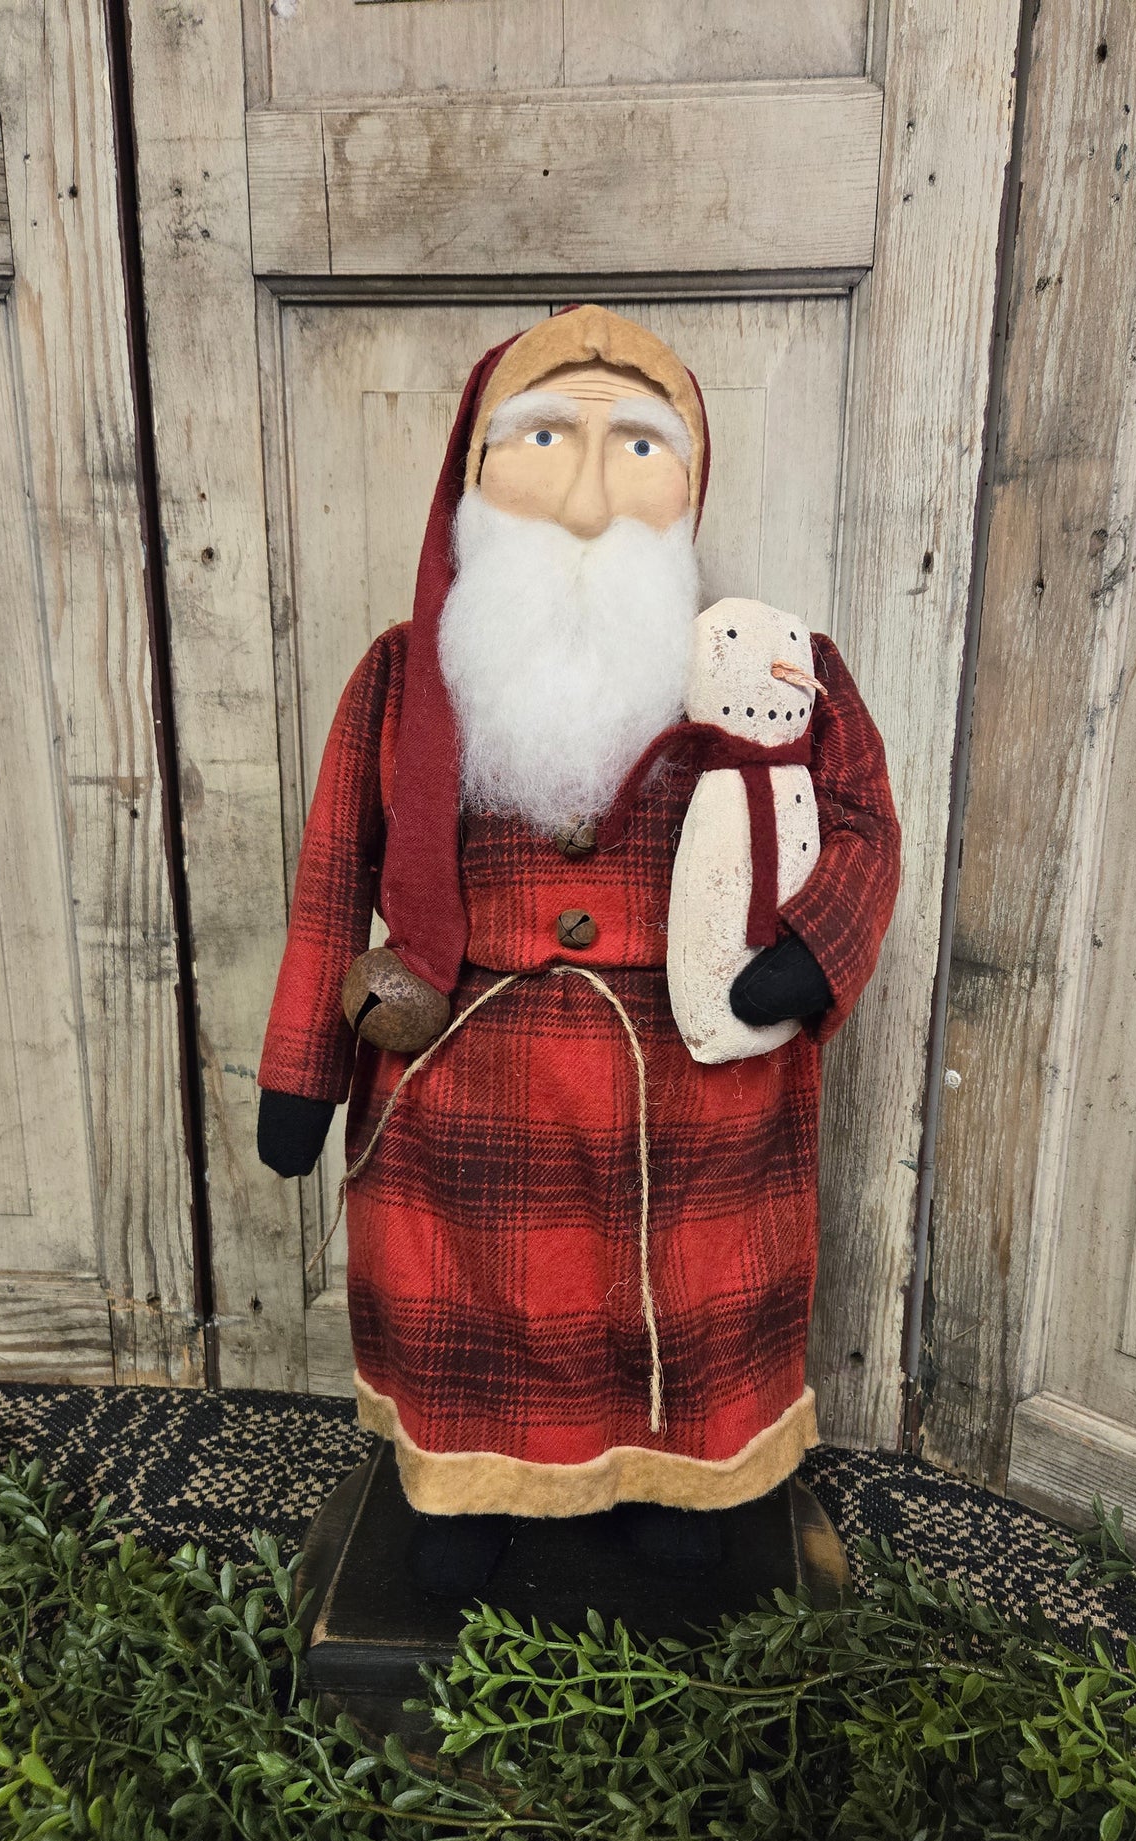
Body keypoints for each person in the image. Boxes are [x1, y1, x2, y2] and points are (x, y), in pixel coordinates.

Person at [257, 306, 900, 1595]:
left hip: (696, 1096)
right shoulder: (400, 677)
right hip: (463, 1100)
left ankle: (675, 1477)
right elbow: (333, 880)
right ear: (477, 470)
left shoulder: (780, 669)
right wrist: (299, 1076)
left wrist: (817, 955)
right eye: (548, 436)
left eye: (640, 446)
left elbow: (862, 826)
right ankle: (462, 1479)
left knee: (671, 1316)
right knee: (472, 1315)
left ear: (691, 481)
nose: (594, 491)